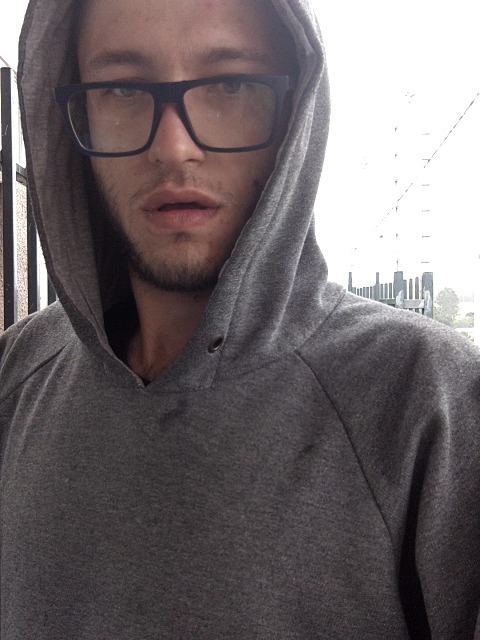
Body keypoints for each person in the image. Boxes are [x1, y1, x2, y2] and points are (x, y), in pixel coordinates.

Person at [1, 0, 479, 637]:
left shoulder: (431, 405)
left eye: (229, 85)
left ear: (296, 110)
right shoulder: (16, 378)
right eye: (122, 88)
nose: (175, 148)